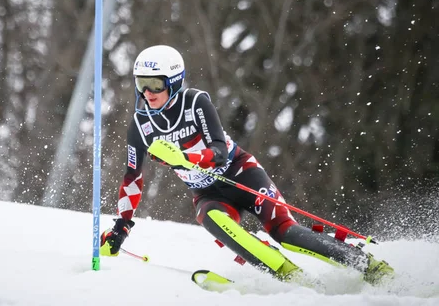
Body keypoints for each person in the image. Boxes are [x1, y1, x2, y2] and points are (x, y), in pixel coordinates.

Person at [99, 44, 394, 285]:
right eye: (141, 84)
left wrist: (185, 158)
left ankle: (367, 264)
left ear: (174, 82)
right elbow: (132, 178)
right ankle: (292, 279)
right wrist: (121, 228)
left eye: (155, 84)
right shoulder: (140, 126)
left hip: (240, 173)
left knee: (285, 232)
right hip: (208, 193)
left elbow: (219, 151)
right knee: (211, 219)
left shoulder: (196, 102)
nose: (147, 93)